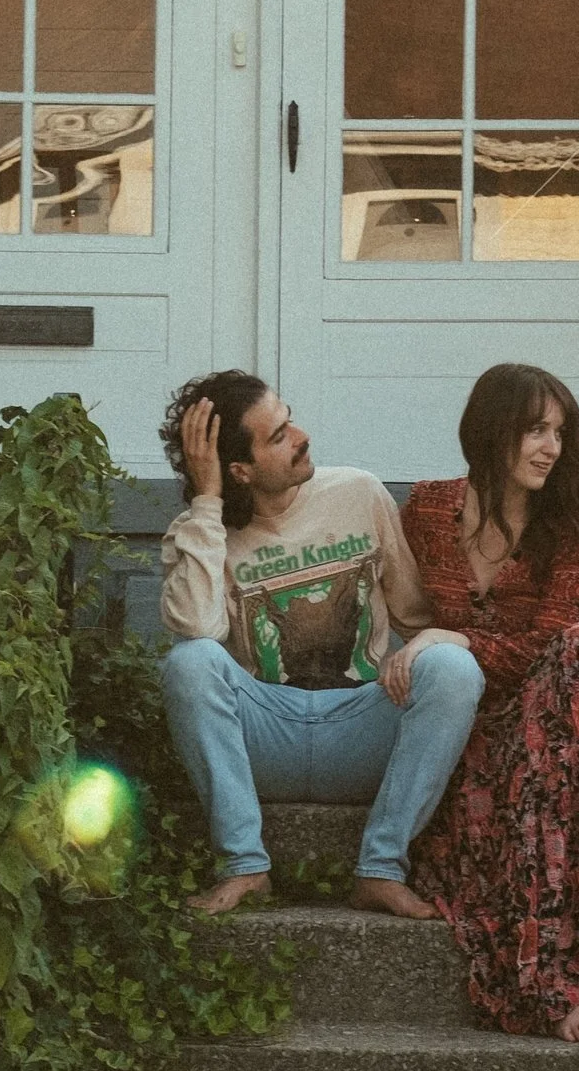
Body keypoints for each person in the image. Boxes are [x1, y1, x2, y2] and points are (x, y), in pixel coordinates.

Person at [157, 369, 483, 920]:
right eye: (278, 435)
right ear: (239, 470)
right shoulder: (201, 533)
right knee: (189, 662)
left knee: (453, 667)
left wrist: (439, 638)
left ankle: (381, 868)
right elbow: (195, 631)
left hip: (363, 727)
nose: (301, 434)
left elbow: (414, 613)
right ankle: (245, 865)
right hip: (268, 736)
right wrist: (208, 504)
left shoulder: (359, 493)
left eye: (289, 419)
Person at [400, 363, 579, 1042]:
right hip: (460, 730)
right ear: (493, 433)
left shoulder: (568, 528)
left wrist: (454, 635)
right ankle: (548, 981)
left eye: (560, 431)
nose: (551, 446)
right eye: (535, 429)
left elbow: (544, 647)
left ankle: (563, 978)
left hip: (551, 735)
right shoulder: (427, 509)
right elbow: (392, 616)